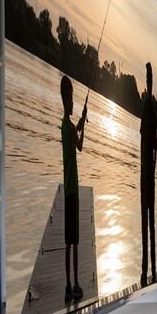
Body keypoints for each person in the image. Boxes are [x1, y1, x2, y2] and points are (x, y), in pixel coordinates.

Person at [59, 75, 88, 302]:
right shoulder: (67, 126)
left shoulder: (65, 126)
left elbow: (79, 145)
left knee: (69, 242)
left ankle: (69, 286)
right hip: (72, 191)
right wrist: (82, 123)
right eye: (70, 99)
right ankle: (75, 283)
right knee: (75, 241)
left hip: (68, 189)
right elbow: (76, 138)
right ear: (65, 100)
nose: (72, 102)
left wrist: (82, 125)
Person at [138, 61, 157, 287]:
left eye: (149, 79)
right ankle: (148, 270)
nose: (148, 83)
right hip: (149, 173)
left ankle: (148, 271)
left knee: (148, 222)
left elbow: (147, 141)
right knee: (148, 223)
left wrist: (148, 167)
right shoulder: (150, 107)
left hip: (147, 175)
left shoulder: (148, 107)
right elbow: (153, 145)